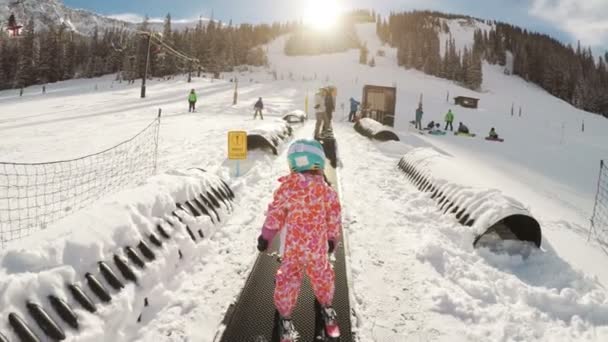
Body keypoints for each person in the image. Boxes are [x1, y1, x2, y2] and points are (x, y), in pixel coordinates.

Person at [257, 139, 342, 341]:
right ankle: (326, 307)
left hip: (293, 250)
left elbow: (275, 214)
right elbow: (334, 217)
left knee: (287, 281)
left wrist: (266, 237)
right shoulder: (327, 192)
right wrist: (332, 239)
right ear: (319, 163)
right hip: (317, 250)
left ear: (293, 163)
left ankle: (285, 320)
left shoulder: (288, 189)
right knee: (323, 277)